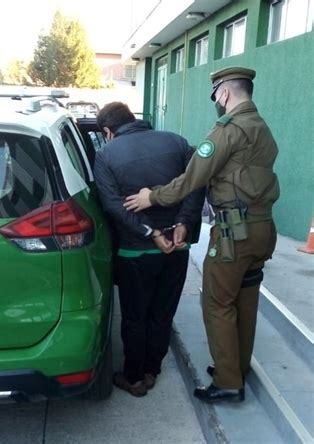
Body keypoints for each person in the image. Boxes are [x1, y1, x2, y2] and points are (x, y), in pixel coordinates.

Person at [124, 67, 280, 403]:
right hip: (262, 229)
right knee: (246, 299)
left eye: (216, 98)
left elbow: (192, 177)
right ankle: (236, 366)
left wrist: (152, 196)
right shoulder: (262, 127)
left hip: (233, 234)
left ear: (223, 94)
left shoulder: (227, 130)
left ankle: (228, 382)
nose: (217, 104)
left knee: (217, 302)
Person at [94, 101, 205, 397]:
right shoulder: (177, 142)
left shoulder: (106, 154)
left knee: (134, 317)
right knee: (162, 313)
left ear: (108, 131)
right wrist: (183, 223)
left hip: (135, 252)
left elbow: (113, 205)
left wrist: (150, 232)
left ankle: (133, 377)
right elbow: (196, 186)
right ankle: (151, 371)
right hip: (177, 249)